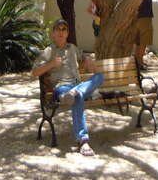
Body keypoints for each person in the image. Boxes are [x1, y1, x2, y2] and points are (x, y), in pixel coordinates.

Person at [31, 19, 104, 156]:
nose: (61, 32)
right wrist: (51, 64)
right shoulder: (49, 51)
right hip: (62, 88)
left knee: (99, 77)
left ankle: (76, 92)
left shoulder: (72, 48)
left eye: (63, 29)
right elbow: (34, 72)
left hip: (77, 86)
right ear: (53, 33)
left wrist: (87, 59)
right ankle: (83, 141)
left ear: (67, 33)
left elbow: (83, 55)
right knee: (77, 97)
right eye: (58, 29)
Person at [133, 0, 154, 71]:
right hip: (145, 16)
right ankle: (140, 62)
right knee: (143, 41)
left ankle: (137, 62)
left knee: (138, 41)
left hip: (134, 16)